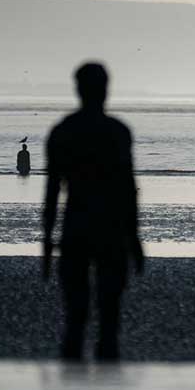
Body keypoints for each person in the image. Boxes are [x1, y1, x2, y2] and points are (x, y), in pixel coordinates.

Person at [43, 62, 144, 362]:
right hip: (111, 231)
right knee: (108, 316)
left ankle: (73, 383)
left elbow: (51, 191)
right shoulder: (117, 132)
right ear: (105, 90)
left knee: (76, 316)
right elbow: (128, 188)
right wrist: (135, 238)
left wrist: (47, 241)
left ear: (78, 89)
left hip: (76, 229)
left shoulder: (64, 131)